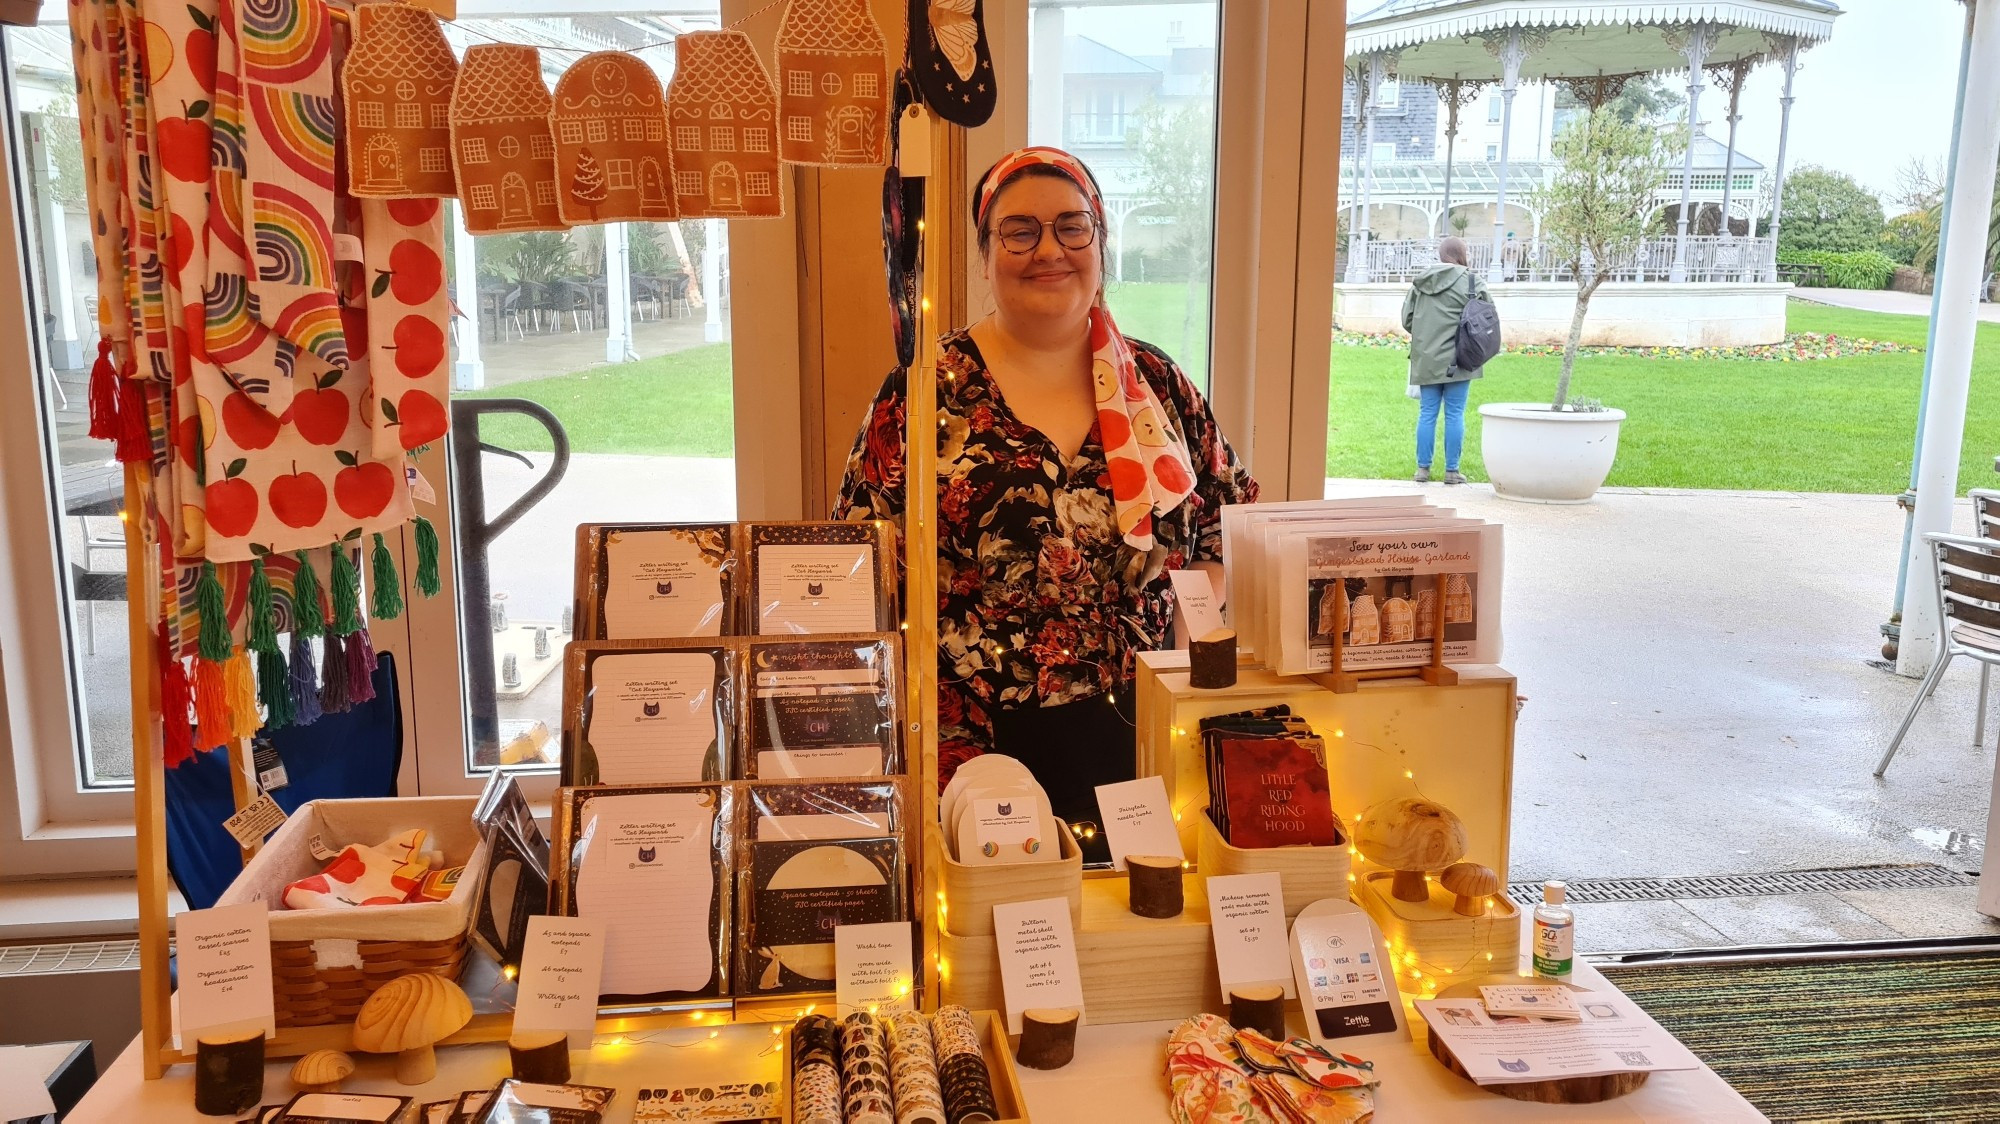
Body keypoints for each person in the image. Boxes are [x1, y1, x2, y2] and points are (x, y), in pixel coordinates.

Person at [834, 147, 1257, 861]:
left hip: (1139, 738)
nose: (1049, 252)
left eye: (1073, 227)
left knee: (1126, 929)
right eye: (1019, 231)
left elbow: (1228, 527)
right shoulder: (922, 393)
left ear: (1100, 241)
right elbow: (858, 563)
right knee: (999, 944)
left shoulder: (1158, 385)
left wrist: (1187, 663)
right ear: (985, 254)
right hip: (972, 749)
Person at [1401, 236, 1488, 485]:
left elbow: (1407, 319)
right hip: (1462, 358)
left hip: (1427, 358)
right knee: (1455, 414)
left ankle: (1422, 470)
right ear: (1461, 254)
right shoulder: (1473, 281)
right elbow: (1488, 317)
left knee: (1427, 413)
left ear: (1441, 255)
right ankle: (1452, 471)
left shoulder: (1421, 282)